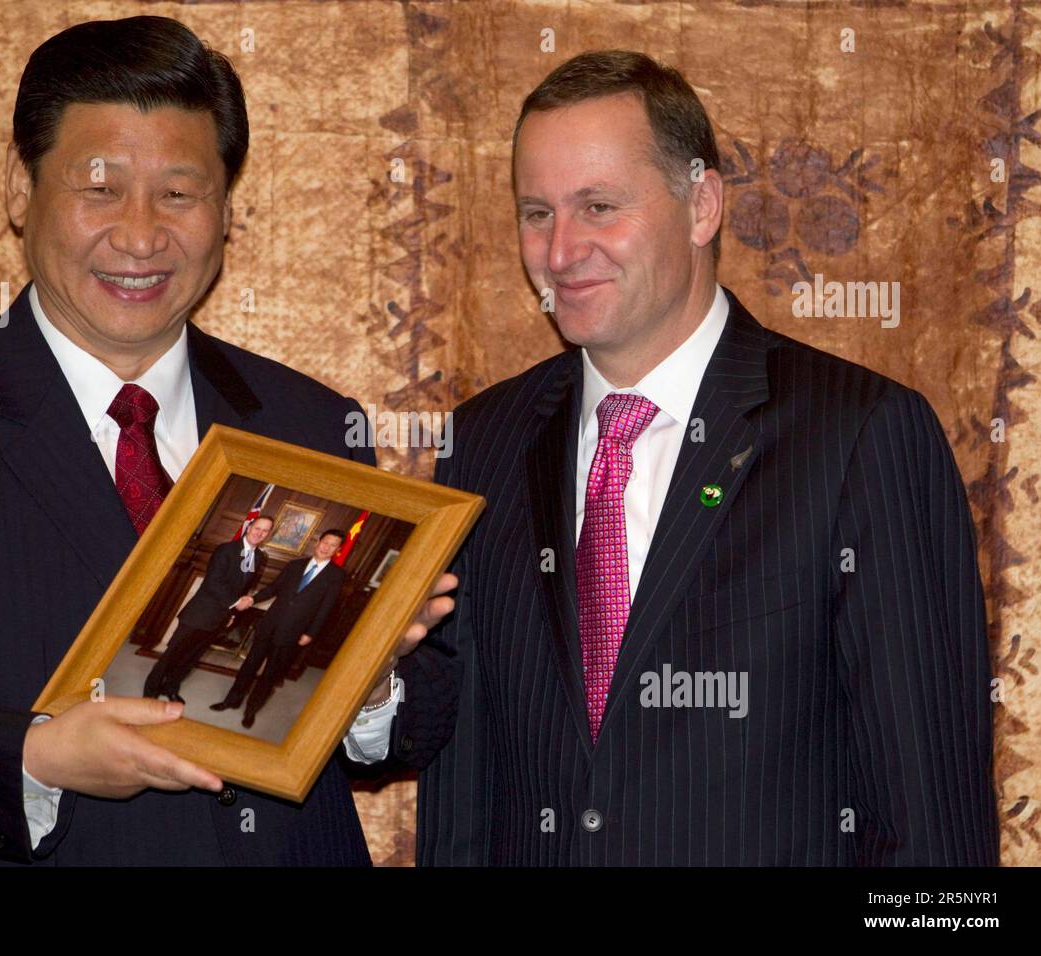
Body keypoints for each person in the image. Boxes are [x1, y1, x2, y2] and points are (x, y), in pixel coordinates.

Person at [0, 15, 454, 867]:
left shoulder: (314, 425)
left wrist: (369, 686)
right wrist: (36, 755)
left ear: (225, 210)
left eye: (179, 193)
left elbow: (418, 719)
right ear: (19, 191)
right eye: (99, 189)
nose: (141, 236)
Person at [407, 50, 999, 865]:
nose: (562, 250)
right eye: (537, 212)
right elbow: (462, 779)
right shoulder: (483, 442)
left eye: (600, 206)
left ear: (702, 205)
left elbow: (932, 827)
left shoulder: (860, 436)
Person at [212, 530, 346, 728]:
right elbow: (274, 588)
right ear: (318, 542)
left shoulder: (336, 575)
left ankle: (251, 710)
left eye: (332, 545)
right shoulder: (295, 565)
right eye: (325, 542)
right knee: (249, 665)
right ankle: (232, 700)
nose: (326, 547)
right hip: (269, 624)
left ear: (338, 550)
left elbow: (326, 608)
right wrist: (253, 599)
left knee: (270, 673)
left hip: (293, 632)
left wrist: (310, 633)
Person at [142, 515, 273, 703]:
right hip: (200, 612)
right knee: (173, 652)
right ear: (249, 526)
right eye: (257, 528)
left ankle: (171, 687)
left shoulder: (259, 557)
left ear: (268, 534)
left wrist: (232, 613)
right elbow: (213, 582)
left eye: (265, 530)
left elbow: (243, 588)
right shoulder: (226, 550)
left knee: (192, 656)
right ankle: (151, 689)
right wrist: (236, 603)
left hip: (220, 616)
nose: (259, 533)